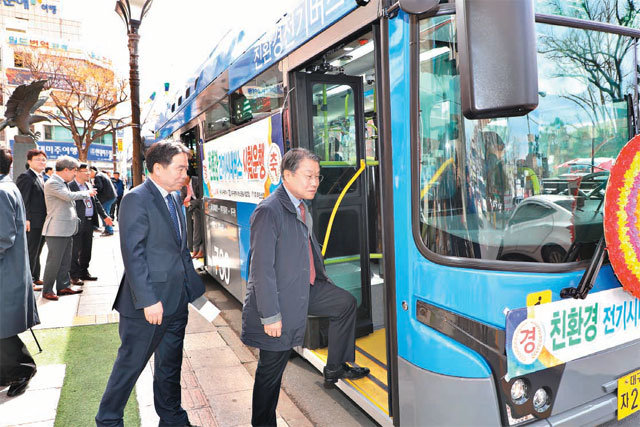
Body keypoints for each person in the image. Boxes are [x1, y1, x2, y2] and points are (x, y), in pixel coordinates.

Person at [241, 148, 369, 426]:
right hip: (279, 300)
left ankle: (335, 367)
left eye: (318, 177)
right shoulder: (269, 211)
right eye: (308, 175)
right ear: (287, 175)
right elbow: (261, 270)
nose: (314, 182)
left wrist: (320, 276)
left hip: (305, 288)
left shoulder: (301, 206)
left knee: (345, 303)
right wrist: (270, 316)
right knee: (271, 369)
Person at [96, 141, 205, 427]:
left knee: (169, 367)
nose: (186, 174)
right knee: (130, 366)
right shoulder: (136, 198)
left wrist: (193, 291)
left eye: (186, 167)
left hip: (177, 300)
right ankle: (108, 420)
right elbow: (134, 254)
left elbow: (180, 251)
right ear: (158, 168)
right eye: (180, 168)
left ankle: (172, 419)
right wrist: (147, 299)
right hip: (148, 306)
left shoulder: (174, 197)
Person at [0, 147, 40, 397]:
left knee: (3, 329)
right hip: (8, 269)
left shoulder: (3, 191)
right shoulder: (7, 186)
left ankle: (22, 369)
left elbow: (3, 237)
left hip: (6, 271)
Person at [41, 156, 95, 301]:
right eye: (74, 171)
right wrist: (87, 193)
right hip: (56, 229)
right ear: (66, 170)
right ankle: (47, 290)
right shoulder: (53, 183)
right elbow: (68, 196)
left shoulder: (62, 182)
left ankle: (63, 286)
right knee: (54, 261)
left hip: (66, 228)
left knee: (65, 260)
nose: (75, 174)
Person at [69, 164, 112, 283]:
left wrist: (105, 216)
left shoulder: (88, 185)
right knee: (75, 249)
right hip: (77, 221)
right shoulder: (70, 186)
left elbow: (96, 202)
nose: (88, 173)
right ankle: (74, 275)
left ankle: (84, 272)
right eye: (85, 171)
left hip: (89, 221)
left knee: (87, 249)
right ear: (76, 172)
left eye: (88, 171)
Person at [15, 149, 48, 292]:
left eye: (43, 159)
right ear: (29, 162)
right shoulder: (26, 177)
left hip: (42, 221)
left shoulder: (41, 177)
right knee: (30, 251)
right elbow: (23, 200)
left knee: (38, 250)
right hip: (32, 222)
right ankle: (28, 281)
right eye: (37, 159)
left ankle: (35, 276)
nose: (41, 162)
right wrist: (26, 218)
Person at [181, 175, 204, 258]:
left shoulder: (197, 181)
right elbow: (182, 199)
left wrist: (191, 203)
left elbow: (202, 198)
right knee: (196, 230)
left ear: (187, 176)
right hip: (195, 210)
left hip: (203, 208)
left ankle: (199, 250)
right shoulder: (183, 187)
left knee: (198, 230)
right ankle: (196, 249)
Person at [91, 167, 117, 236]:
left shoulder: (97, 176)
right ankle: (108, 229)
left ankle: (109, 230)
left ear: (92, 171)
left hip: (107, 197)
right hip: (111, 196)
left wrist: (91, 188)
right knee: (105, 213)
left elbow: (99, 187)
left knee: (104, 214)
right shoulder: (101, 174)